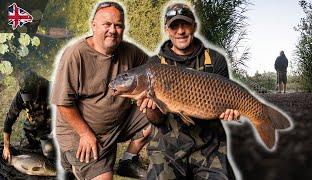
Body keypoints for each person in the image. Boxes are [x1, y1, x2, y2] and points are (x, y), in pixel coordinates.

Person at [137, 3, 239, 179]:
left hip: (209, 146)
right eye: (174, 26)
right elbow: (156, 121)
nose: (180, 31)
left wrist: (232, 111)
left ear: (194, 26)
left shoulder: (215, 60)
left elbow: (228, 101)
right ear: (167, 30)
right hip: (167, 148)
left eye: (185, 24)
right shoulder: (154, 65)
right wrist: (151, 108)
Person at [50, 1, 151, 179]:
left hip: (119, 124)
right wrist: (85, 133)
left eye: (118, 25)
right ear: (94, 25)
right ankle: (71, 162)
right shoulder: (75, 55)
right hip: (81, 133)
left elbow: (156, 68)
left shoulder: (130, 51)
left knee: (159, 111)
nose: (113, 30)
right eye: (107, 24)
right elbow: (62, 104)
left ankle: (128, 161)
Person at [2, 70, 54, 162]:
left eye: (32, 95)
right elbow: (8, 121)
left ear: (38, 84)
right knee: (25, 151)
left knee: (49, 154)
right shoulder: (20, 96)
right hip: (32, 123)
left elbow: (66, 111)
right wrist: (6, 147)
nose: (29, 99)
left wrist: (55, 131)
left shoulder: (51, 89)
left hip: (50, 125)